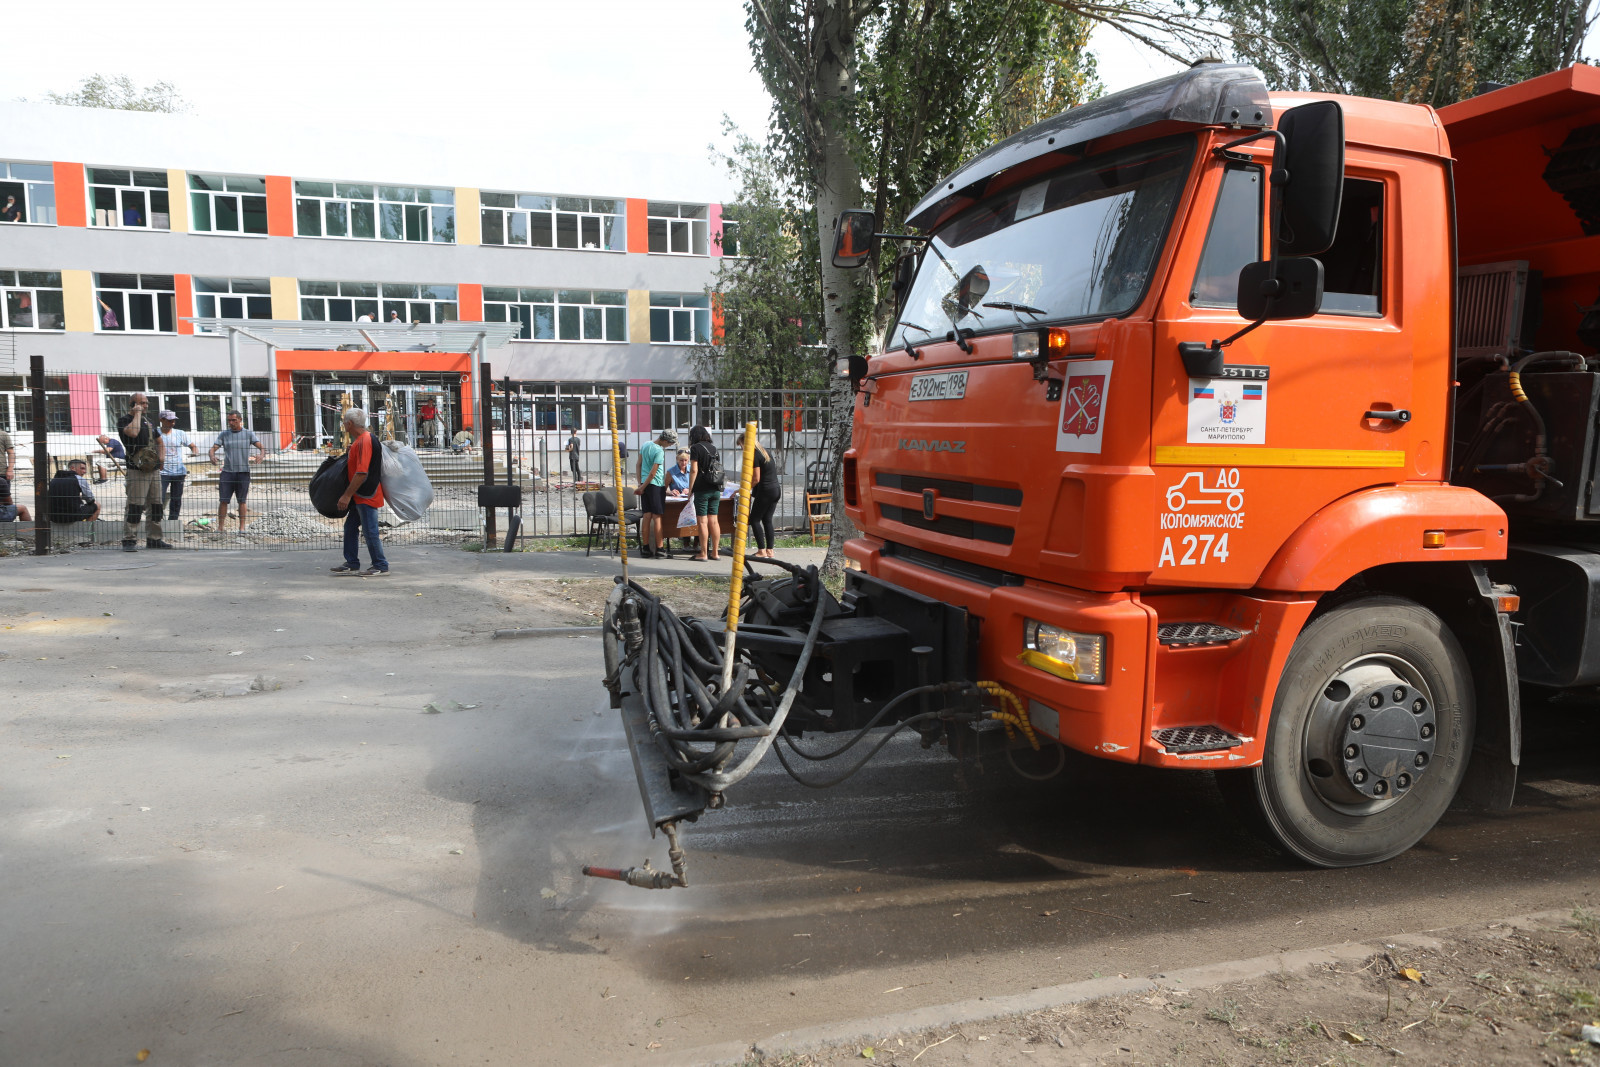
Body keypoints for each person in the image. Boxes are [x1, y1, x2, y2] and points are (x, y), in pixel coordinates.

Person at [331, 407, 389, 576]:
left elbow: (362, 472)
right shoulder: (361, 440)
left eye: (344, 422)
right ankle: (351, 562)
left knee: (370, 530)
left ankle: (380, 564)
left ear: (349, 423)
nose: (343, 425)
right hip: (361, 493)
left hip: (366, 493)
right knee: (350, 527)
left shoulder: (364, 441)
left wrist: (346, 495)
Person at [116, 392, 169, 551]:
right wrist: (137, 413)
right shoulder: (124, 421)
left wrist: (161, 459)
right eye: (143, 403)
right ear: (133, 404)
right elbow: (133, 433)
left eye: (146, 403)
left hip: (153, 470)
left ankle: (154, 539)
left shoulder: (149, 421)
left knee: (156, 505)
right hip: (136, 470)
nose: (146, 406)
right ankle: (129, 540)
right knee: (135, 506)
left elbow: (160, 441)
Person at [208, 410, 265, 534]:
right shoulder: (224, 434)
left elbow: (261, 447)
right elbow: (213, 449)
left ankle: (242, 528)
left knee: (242, 501)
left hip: (243, 472)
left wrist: (261, 455)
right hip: (227, 472)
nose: (231, 423)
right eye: (229, 420)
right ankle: (220, 527)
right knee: (223, 500)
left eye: (234, 420)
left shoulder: (248, 434)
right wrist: (212, 456)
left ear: (240, 420)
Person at [739, 427, 782, 559]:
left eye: (741, 446)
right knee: (767, 519)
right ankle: (770, 550)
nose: (742, 449)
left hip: (766, 491)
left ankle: (761, 550)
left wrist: (744, 489)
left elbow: (756, 478)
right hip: (775, 490)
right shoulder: (765, 452)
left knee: (754, 519)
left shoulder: (754, 454)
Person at [635, 428, 675, 559]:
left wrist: (640, 484)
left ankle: (645, 548)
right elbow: (653, 473)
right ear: (664, 440)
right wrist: (643, 487)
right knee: (657, 517)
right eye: (670, 443)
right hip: (656, 485)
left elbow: (638, 464)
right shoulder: (659, 451)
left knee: (646, 516)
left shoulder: (646, 444)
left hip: (644, 484)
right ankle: (660, 548)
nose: (669, 446)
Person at [687, 425, 723, 562]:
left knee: (702, 521)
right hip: (715, 488)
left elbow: (694, 470)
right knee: (714, 520)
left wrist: (690, 489)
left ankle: (703, 553)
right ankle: (715, 552)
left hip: (702, 489)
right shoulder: (714, 449)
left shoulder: (695, 448)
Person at [158, 410, 197, 521]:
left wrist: (194, 452)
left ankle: (173, 521)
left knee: (176, 498)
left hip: (178, 471)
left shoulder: (180, 433)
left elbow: (193, 446)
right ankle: (158, 521)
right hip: (161, 471)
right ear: (161, 420)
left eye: (174, 420)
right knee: (158, 498)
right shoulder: (156, 433)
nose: (173, 423)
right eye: (170, 420)